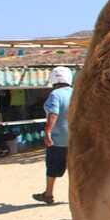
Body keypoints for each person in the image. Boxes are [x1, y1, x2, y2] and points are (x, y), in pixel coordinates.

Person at [32, 66, 74, 204]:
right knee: (73, 168)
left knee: (52, 166)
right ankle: (75, 197)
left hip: (58, 138)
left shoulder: (55, 95)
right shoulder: (75, 93)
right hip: (74, 138)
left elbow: (53, 113)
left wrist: (48, 132)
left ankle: (48, 194)